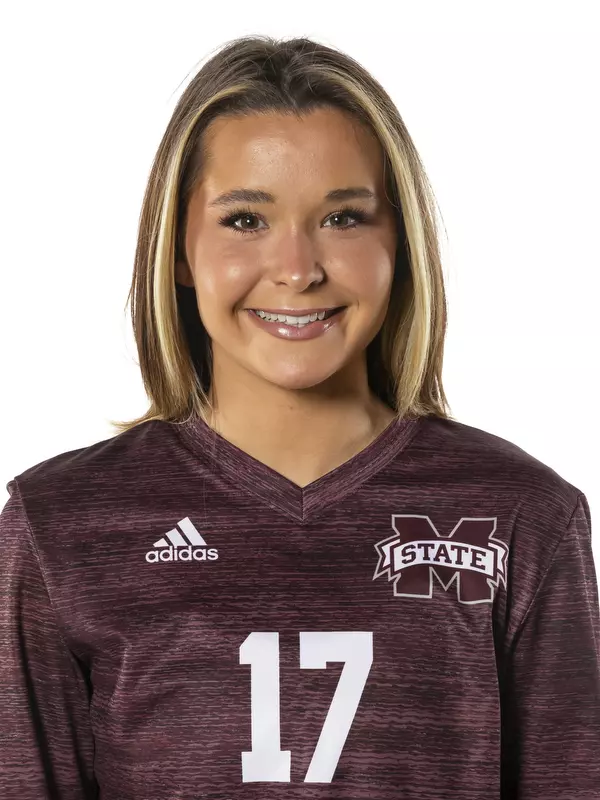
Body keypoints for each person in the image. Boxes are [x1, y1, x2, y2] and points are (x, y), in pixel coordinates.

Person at [0, 33, 598, 800]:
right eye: (245, 219)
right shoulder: (61, 525)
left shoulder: (523, 516)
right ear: (179, 248)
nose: (297, 268)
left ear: (400, 245)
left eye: (343, 218)